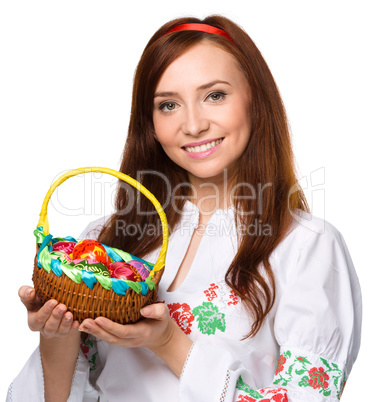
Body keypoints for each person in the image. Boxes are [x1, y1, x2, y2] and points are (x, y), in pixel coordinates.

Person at [8, 15, 361, 402]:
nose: (192, 125)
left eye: (215, 95)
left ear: (255, 100)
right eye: (169, 105)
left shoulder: (306, 247)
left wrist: (168, 342)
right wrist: (57, 335)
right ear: (150, 123)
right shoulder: (105, 245)